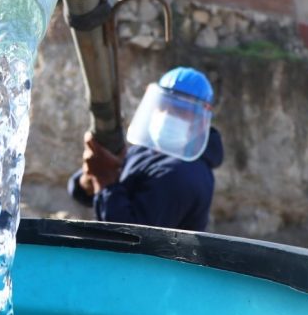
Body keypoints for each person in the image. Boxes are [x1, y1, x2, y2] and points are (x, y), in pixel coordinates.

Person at [68, 67, 224, 231]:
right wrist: (90, 176)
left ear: (200, 121)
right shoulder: (146, 150)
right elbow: (82, 192)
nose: (167, 114)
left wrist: (104, 181)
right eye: (163, 105)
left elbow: (129, 237)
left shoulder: (186, 174)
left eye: (180, 110)